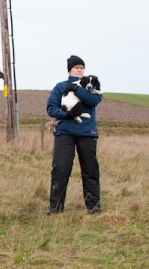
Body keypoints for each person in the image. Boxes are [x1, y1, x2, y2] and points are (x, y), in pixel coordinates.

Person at [46, 55, 102, 215]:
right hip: (65, 132)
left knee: (90, 170)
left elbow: (94, 100)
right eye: (76, 67)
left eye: (81, 67)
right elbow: (51, 108)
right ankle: (55, 208)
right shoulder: (60, 87)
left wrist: (77, 89)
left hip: (87, 132)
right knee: (61, 169)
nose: (79, 69)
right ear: (69, 69)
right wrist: (67, 115)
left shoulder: (91, 84)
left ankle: (93, 208)